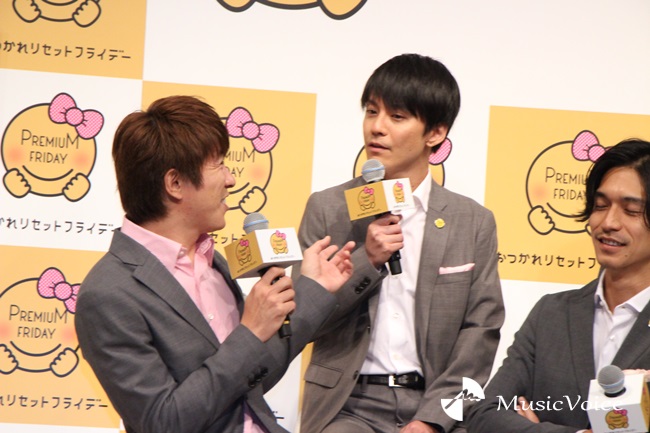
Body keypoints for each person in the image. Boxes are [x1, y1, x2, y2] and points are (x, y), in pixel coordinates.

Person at [74, 95, 355, 433]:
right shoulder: (108, 294)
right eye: (219, 165)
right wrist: (251, 333)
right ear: (175, 183)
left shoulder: (212, 262)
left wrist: (314, 288)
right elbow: (163, 422)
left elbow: (251, 378)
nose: (231, 179)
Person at [295, 53, 505, 433]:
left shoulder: (472, 222)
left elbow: (481, 332)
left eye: (396, 116)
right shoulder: (329, 209)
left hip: (435, 404)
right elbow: (303, 323)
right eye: (371, 112)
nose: (377, 128)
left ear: (435, 133)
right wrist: (368, 260)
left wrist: (433, 420)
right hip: (346, 407)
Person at [467, 138, 650, 433]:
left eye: (630, 211)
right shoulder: (551, 313)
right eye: (600, 206)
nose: (609, 222)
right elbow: (485, 414)